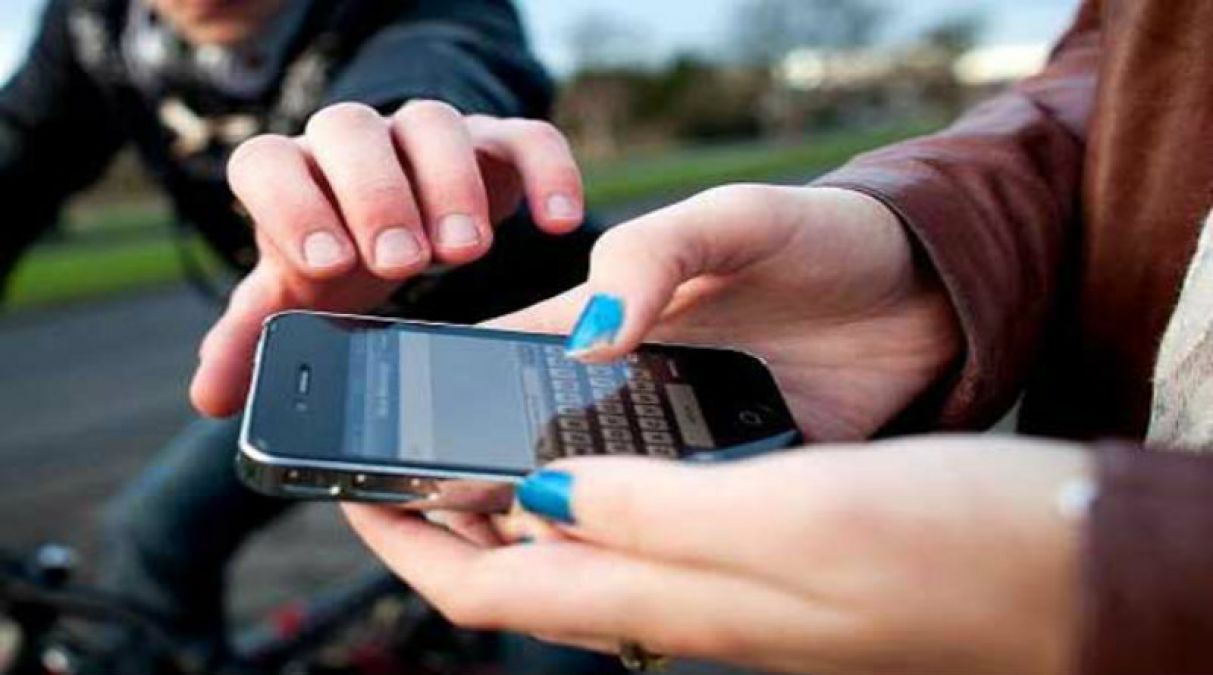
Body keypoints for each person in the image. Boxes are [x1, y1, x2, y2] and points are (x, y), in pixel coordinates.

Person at [190, 0, 1213, 672]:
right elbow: (1133, 70)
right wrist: (921, 245)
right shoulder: (107, 45)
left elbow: (444, 39)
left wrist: (1143, 574)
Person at [0, 0, 605, 667]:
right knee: (151, 533)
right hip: (339, 343)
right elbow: (21, 145)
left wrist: (399, 143)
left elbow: (440, 52)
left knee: (555, 606)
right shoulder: (89, 22)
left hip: (524, 346)